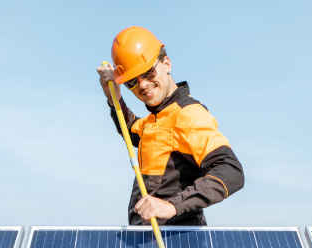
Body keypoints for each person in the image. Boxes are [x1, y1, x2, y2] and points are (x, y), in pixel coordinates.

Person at [97, 26, 244, 226]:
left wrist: (171, 206)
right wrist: (114, 99)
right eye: (132, 81)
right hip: (149, 242)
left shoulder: (188, 114)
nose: (142, 85)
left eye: (148, 73)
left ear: (166, 63)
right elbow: (133, 131)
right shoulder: (157, 119)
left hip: (179, 245)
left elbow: (230, 171)